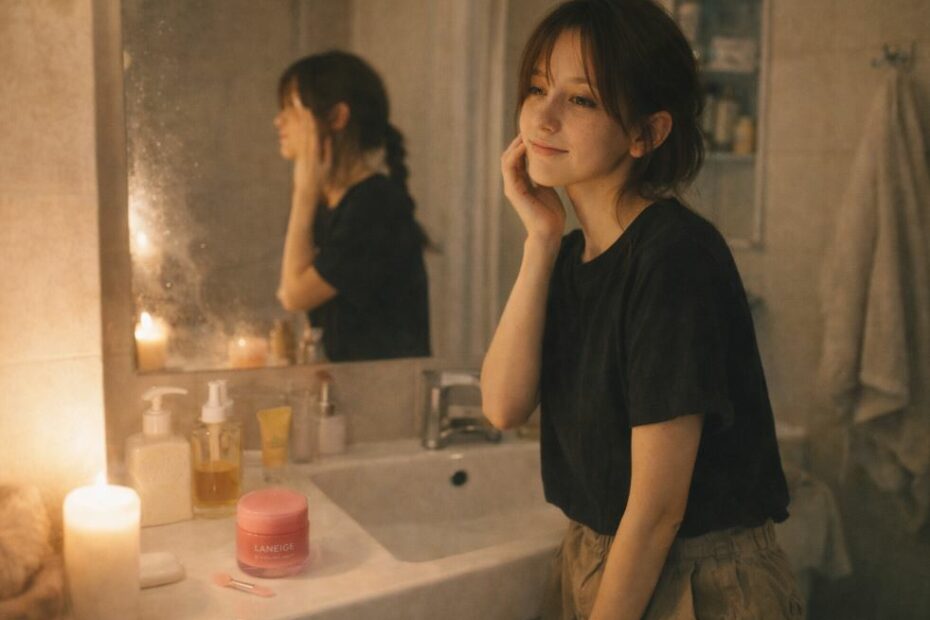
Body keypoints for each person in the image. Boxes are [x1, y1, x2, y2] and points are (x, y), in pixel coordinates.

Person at [480, 1, 804, 618]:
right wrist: (540, 240)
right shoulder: (573, 253)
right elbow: (501, 405)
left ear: (646, 133)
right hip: (594, 556)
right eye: (537, 87)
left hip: (701, 580)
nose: (542, 117)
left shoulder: (674, 256)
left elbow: (657, 513)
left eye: (581, 100)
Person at [274, 51, 430, 362]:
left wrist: (304, 193)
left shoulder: (375, 204)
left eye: (291, 108)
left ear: (336, 118)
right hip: (354, 389)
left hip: (386, 393)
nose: (278, 121)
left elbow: (293, 295)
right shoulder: (333, 200)